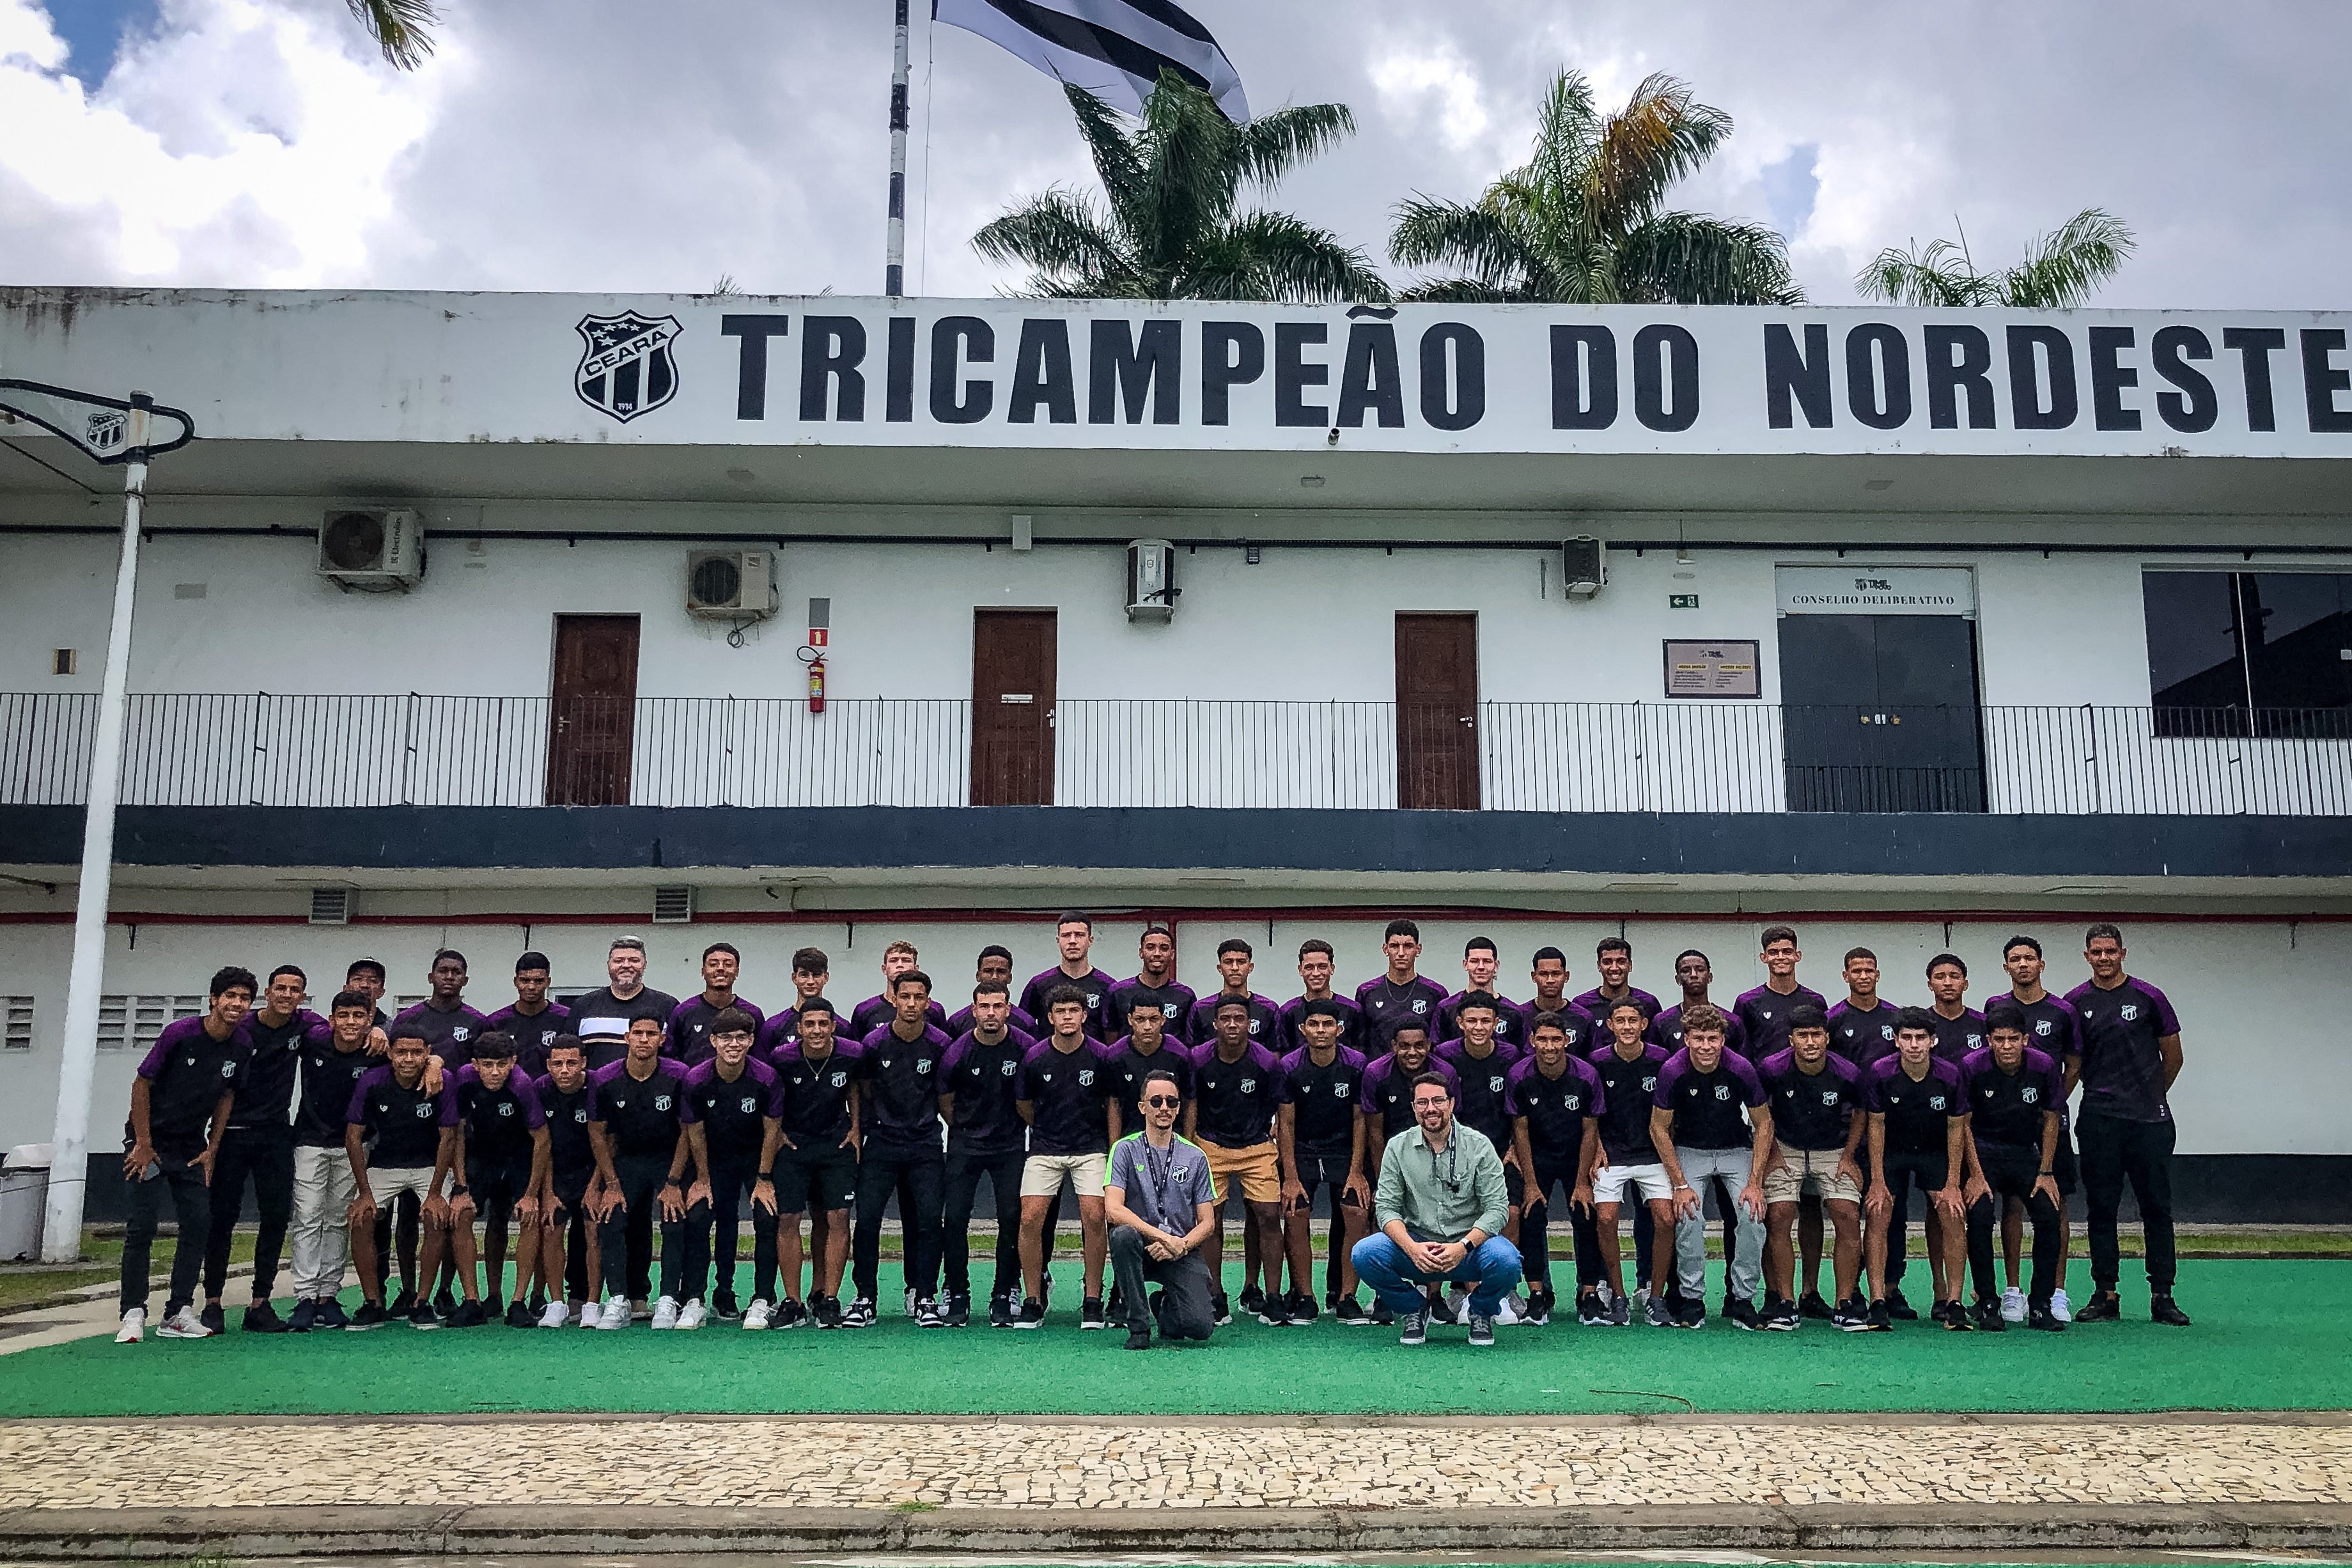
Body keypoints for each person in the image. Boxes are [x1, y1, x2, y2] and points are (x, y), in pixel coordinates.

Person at [116, 965, 253, 1344]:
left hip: (191, 1147)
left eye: (244, 998)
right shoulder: (181, 1034)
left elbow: (227, 1095)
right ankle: (132, 1313)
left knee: (198, 1224)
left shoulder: (242, 1045)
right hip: (149, 1144)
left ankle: (177, 1312)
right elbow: (142, 1083)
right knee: (142, 1227)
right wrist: (143, 1143)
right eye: (230, 996)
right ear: (214, 999)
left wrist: (213, 1147)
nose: (237, 1004)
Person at [2066, 923, 2189, 1326]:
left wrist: (2151, 1096)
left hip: (2148, 1122)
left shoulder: (2150, 997)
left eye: (2110, 951)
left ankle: (2163, 1295)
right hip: (2099, 1120)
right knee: (2102, 1209)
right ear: (2087, 956)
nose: (2104, 958)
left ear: (2123, 953)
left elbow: (2173, 1057)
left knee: (2157, 1208)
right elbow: (2073, 1062)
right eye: (2096, 952)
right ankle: (2106, 1293)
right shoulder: (2075, 1003)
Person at [1351, 1072, 1521, 1347]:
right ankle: (1413, 1309)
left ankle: (1480, 1311)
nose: (1431, 1108)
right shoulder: (1397, 1147)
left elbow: (1498, 1209)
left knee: (1508, 1261)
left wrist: (1462, 1247)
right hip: (1418, 1245)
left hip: (1470, 1246)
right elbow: (1386, 1209)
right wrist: (1411, 1248)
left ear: (1452, 1103)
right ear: (1414, 1107)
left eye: (1438, 1100)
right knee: (1365, 1254)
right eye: (1422, 1102)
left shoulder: (1479, 1146)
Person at [200, 963, 315, 1334]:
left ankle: (260, 1304)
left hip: (276, 1134)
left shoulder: (305, 1026)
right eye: (280, 987)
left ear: (302, 996)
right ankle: (213, 1302)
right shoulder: (241, 1028)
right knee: (222, 1219)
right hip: (231, 1134)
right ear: (267, 992)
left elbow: (346, 1027)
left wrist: (379, 1030)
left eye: (295, 989)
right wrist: (212, 1144)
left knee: (276, 1216)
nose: (286, 994)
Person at [1649, 1005, 1772, 1330]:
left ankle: (1743, 1300)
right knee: (1688, 1214)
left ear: (1723, 1040)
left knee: (1752, 1213)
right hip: (1691, 1150)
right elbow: (1658, 1127)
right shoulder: (1673, 1070)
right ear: (1687, 1039)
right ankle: (1692, 1300)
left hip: (1735, 1149)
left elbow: (1763, 1123)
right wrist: (1679, 1184)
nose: (1706, 1046)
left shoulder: (1741, 1068)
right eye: (1699, 1038)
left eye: (1712, 1039)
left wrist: (1755, 1182)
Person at [1756, 1004, 1868, 1331]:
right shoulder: (1771, 1069)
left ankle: (1844, 1304)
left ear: (1827, 1037)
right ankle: (1786, 1303)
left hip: (1833, 1149)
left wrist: (1849, 1156)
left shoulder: (1847, 1072)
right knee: (1778, 1215)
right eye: (1802, 1035)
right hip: (1785, 1147)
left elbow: (1862, 1114)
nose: (1810, 1042)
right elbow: (1761, 1114)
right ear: (1791, 1039)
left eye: (1816, 1035)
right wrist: (1772, 1154)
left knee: (1846, 1213)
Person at [343, 1029, 463, 1331]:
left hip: (428, 1166)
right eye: (401, 1052)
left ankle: (421, 1303)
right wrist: (365, 1193)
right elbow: (353, 1138)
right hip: (385, 1164)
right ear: (390, 1054)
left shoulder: (442, 1081)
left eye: (416, 1053)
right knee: (361, 1217)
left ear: (428, 1053)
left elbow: (448, 1137)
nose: (409, 1059)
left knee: (436, 1217)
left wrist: (436, 1192)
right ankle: (373, 1303)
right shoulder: (372, 1081)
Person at [1015, 985, 1120, 1329]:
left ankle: (1092, 1299)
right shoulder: (1034, 1057)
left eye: (1073, 1011)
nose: (1067, 1018)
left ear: (1084, 1016)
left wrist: (1112, 1148)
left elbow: (1112, 1105)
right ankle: (1033, 1299)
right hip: (1045, 1149)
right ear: (1050, 1018)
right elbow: (1024, 1106)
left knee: (1094, 1216)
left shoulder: (1102, 1056)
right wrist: (1047, 1132)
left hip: (1090, 1150)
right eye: (1060, 1012)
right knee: (1030, 1218)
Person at [852, 970, 952, 1327]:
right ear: (893, 998)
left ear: (928, 1001)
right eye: (905, 996)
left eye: (918, 997)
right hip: (881, 1143)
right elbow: (863, 1090)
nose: (911, 1004)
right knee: (867, 1222)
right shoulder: (873, 1044)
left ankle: (924, 1295)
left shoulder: (941, 1044)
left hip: (925, 1144)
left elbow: (946, 1096)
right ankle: (865, 1297)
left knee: (927, 1221)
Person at [1961, 1002, 2068, 1332]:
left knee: (2049, 1216)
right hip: (1983, 1154)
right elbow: (1962, 1124)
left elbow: (2051, 1119)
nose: (2006, 1046)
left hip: (2026, 1154)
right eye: (1999, 1039)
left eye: (2012, 1039)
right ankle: (1988, 1303)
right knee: (1979, 1217)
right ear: (1988, 1040)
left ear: (2026, 1039)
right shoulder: (1971, 1066)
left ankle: (2040, 1305)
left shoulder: (2044, 1066)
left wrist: (2046, 1172)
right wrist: (1976, 1176)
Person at [1864, 1008, 1971, 1331]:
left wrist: (1953, 1182)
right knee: (1878, 1211)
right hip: (1892, 1153)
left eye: (1921, 1038)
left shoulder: (1951, 1075)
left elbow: (1957, 1130)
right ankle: (1878, 1302)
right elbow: (1876, 1127)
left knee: (1952, 1213)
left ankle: (1954, 1302)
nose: (1914, 1045)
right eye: (1907, 1038)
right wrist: (1878, 1181)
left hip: (1934, 1152)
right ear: (1896, 1041)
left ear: (1933, 1041)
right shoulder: (1880, 1073)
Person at [586, 1014, 694, 1329]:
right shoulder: (604, 1079)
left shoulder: (678, 1076)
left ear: (662, 1039)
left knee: (673, 1219)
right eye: (638, 1033)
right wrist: (611, 1184)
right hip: (626, 1161)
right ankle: (618, 1298)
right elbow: (598, 1133)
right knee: (612, 1217)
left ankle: (669, 1299)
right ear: (626, 1037)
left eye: (651, 1034)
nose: (644, 1039)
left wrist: (673, 1182)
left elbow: (688, 1132)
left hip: (668, 1159)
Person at [679, 1009, 783, 1329]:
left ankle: (763, 1299)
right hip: (715, 1160)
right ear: (713, 1041)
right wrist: (702, 1178)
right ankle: (696, 1298)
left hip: (756, 1159)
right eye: (726, 1038)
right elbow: (694, 1131)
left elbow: (772, 1130)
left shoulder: (767, 1078)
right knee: (700, 1217)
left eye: (741, 1038)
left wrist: (764, 1179)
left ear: (751, 1041)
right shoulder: (696, 1079)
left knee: (767, 1219)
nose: (733, 1044)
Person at [941, 980, 1036, 1328]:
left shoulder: (1025, 1048)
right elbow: (946, 1102)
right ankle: (957, 1292)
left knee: (1012, 1219)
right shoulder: (957, 1052)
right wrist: (965, 1129)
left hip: (1010, 1146)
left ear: (1008, 1009)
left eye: (998, 1006)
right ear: (974, 1010)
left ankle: (1003, 1293)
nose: (991, 1013)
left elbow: (1030, 1099)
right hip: (966, 1145)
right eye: (984, 1006)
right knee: (954, 1220)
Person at [1185, 997, 1286, 1324]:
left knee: (1269, 1215)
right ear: (1215, 1023)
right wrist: (1189, 1148)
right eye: (1225, 1018)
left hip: (1256, 1146)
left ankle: (1272, 1297)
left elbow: (1280, 1106)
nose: (1232, 1025)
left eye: (1239, 1019)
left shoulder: (1267, 1062)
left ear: (1249, 1023)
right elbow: (1191, 1105)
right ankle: (1215, 1297)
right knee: (1210, 1219)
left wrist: (1273, 1136)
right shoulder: (1198, 1059)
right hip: (1210, 1146)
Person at [1998, 934, 2082, 1323]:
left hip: (2050, 1125)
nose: (2023, 965)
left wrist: (2049, 1103)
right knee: (2012, 1203)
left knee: (2055, 1203)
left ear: (2041, 965)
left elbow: (2074, 1064)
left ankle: (2056, 1292)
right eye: (2015, 959)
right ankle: (2012, 1291)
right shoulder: (1994, 1008)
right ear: (2007, 967)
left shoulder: (2063, 1011)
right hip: (2007, 1128)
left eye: (2029, 958)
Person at [1104, 1069, 1220, 1349]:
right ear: (1143, 1107)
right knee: (1122, 1236)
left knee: (1200, 1328)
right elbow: (1113, 1209)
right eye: (1156, 1102)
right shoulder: (1123, 1150)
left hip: (1180, 1249)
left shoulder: (1195, 1156)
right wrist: (1160, 1236)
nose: (1164, 1108)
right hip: (1140, 1246)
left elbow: (1208, 1222)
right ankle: (1139, 1327)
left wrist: (1179, 1244)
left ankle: (1165, 1308)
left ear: (1179, 1107)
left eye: (1172, 1102)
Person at [286, 989, 377, 1332]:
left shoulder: (377, 1051)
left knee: (339, 1219)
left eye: (359, 1017)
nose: (351, 1023)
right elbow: (291, 1017)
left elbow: (416, 1054)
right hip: (310, 1141)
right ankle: (305, 1296)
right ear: (332, 1019)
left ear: (370, 1020)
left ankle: (328, 1295)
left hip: (354, 1146)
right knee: (308, 1216)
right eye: (344, 1016)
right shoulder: (314, 1040)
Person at [1434, 997, 1528, 1323]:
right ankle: (1464, 1289)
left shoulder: (1511, 1057)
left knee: (1511, 1214)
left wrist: (1515, 1145)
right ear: (1460, 1023)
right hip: (1456, 1152)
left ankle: (1503, 1285)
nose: (1478, 1027)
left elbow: (1519, 1111)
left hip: (1502, 1152)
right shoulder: (1445, 1058)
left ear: (1495, 1024)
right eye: (1471, 1021)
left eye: (1485, 1021)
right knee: (1460, 1217)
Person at [1506, 1013, 1604, 1326]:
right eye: (1543, 1039)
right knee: (1531, 1215)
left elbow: (1590, 1130)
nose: (1549, 1046)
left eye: (1556, 1039)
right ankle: (1537, 1295)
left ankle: (1588, 1294)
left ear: (1567, 1040)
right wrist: (1531, 1184)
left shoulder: (1586, 1075)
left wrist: (1582, 1183)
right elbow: (1519, 1130)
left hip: (1576, 1153)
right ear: (1532, 1041)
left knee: (1586, 1214)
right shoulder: (1519, 1075)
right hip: (1538, 1155)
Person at [447, 1030, 549, 1328]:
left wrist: (531, 1194)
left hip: (519, 1157)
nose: (495, 1072)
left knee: (529, 1216)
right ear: (475, 1064)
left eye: (502, 1064)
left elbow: (542, 1140)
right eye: (488, 1064)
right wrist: (462, 1186)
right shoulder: (464, 1080)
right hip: (481, 1157)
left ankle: (518, 1302)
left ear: (513, 1062)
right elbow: (456, 1134)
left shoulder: (522, 1086)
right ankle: (473, 1301)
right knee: (463, 1214)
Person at [1277, 999, 1369, 1323]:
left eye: (1327, 1025)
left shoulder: (1357, 1065)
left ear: (1339, 1030)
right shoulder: (1289, 1066)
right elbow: (1285, 1123)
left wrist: (1357, 1170)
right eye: (1313, 1025)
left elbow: (1361, 1121)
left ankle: (1346, 1298)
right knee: (1295, 1211)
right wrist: (1290, 1176)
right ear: (1303, 1030)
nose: (1320, 1031)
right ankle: (1305, 1297)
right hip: (1302, 1150)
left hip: (1343, 1151)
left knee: (1356, 1213)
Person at [769, 996, 859, 1328]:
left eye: (823, 1024)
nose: (817, 1030)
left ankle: (828, 1298)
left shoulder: (852, 1053)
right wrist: (777, 1135)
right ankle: (792, 1301)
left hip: (836, 1146)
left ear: (834, 1026)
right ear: (799, 1028)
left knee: (837, 1217)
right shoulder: (782, 1059)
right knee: (789, 1219)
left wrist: (856, 1128)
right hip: (794, 1148)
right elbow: (771, 1097)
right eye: (810, 1024)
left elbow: (856, 1090)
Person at [1584, 999, 1674, 1327]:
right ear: (1610, 1025)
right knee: (1606, 1219)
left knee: (1665, 1219)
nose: (1626, 1027)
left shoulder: (1662, 1061)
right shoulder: (1597, 1062)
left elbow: (1670, 1115)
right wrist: (1596, 1148)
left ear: (1644, 1024)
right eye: (1619, 1021)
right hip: (1613, 1154)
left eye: (1632, 1020)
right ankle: (1618, 1296)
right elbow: (1590, 1116)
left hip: (1652, 1154)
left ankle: (1655, 1296)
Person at [530, 1034, 602, 1327]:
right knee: (551, 1227)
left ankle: (592, 1304)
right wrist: (547, 1192)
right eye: (557, 1063)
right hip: (557, 1171)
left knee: (593, 1230)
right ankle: (557, 1303)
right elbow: (542, 1145)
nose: (564, 1070)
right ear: (548, 1065)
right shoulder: (540, 1089)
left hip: (593, 1170)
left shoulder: (598, 1086)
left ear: (583, 1063)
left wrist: (596, 1186)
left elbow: (606, 1141)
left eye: (572, 1063)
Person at [570, 936, 681, 1070]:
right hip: (597, 1090)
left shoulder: (668, 1006)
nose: (626, 965)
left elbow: (676, 1057)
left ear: (644, 965)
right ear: (609, 965)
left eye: (634, 960)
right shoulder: (583, 1006)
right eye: (619, 961)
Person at [1020, 914, 1119, 1042]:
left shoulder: (1108, 986)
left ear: (1091, 940)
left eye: (1079, 935)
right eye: (1066, 935)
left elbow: (1115, 1034)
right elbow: (1023, 1027)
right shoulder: (1038, 985)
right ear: (1058, 941)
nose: (1072, 941)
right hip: (1050, 1060)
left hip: (1093, 1061)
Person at [1733, 926, 1828, 1060]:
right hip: (1763, 1079)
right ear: (1764, 957)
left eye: (1787, 951)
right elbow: (1740, 1051)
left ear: (1797, 956)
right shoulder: (1746, 1002)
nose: (1781, 957)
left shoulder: (1815, 1001)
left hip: (1805, 1078)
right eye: (1773, 952)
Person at [667, 942, 767, 1066]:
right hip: (694, 1084)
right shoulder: (683, 1012)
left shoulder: (753, 1014)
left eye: (728, 965)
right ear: (703, 972)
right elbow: (671, 1058)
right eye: (713, 964)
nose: (720, 969)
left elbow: (761, 1060)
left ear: (737, 972)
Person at [1355, 919, 1449, 1047]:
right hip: (1378, 1066)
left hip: (1423, 1067)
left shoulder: (1437, 993)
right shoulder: (1366, 992)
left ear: (1418, 949)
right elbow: (1360, 1042)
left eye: (1408, 946)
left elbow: (1441, 1043)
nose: (1401, 953)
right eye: (1395, 946)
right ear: (1385, 949)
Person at [1649, 951, 1752, 1057]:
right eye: (1686, 971)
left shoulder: (1731, 1021)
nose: (1694, 975)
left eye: (1700, 970)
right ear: (1678, 979)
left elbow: (1742, 1064)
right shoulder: (1662, 1022)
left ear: (1710, 977)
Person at [486, 951, 571, 1077]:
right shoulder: (496, 1022)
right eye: (525, 980)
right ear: (515, 982)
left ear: (548, 982)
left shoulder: (567, 1018)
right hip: (510, 1095)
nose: (531, 987)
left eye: (539, 981)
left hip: (550, 1094)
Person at [1110, 924, 1197, 1045]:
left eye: (1164, 948)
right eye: (1150, 948)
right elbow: (1110, 1038)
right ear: (1141, 953)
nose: (1157, 953)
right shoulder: (1118, 992)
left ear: (1172, 954)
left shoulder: (1186, 996)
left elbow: (1190, 1040)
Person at [1437, 936, 1525, 1048]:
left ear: (1496, 966)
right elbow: (1438, 1053)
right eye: (1475, 961)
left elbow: (1520, 1056)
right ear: (1465, 964)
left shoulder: (1514, 1012)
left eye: (1487, 961)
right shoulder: (1446, 1008)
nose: (1481, 967)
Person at [1279, 938, 1364, 1053]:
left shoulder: (1353, 1010)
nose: (1316, 973)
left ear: (1332, 969)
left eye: (1322, 967)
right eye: (1309, 967)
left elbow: (1359, 1052)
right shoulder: (1287, 1012)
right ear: (1300, 970)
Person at [1826, 948, 1903, 1069]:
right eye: (1857, 971)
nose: (1864, 976)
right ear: (1846, 976)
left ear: (1877, 976)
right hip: (1848, 1087)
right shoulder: (1831, 1019)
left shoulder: (1896, 1016)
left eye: (1869, 971)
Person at [948, 947, 1039, 1037]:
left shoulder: (1026, 1024)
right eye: (988, 971)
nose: (995, 977)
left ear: (1010, 978)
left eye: (1001, 971)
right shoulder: (957, 1023)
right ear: (978, 976)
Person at [758, 947, 834, 1053]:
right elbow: (762, 1066)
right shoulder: (773, 1027)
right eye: (804, 975)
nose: (811, 981)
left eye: (816, 975)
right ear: (794, 978)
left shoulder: (841, 1027)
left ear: (826, 977)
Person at [1574, 936, 1660, 1025]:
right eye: (1607, 962)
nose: (1614, 968)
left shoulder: (1649, 1003)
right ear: (1599, 966)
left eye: (1621, 962)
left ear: (1630, 965)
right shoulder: (1582, 1005)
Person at [1521, 947, 1590, 1050]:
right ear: (1534, 976)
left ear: (1566, 976)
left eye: (1556, 974)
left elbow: (1590, 1059)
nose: (1550, 980)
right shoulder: (1519, 1016)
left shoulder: (1584, 1017)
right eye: (1543, 974)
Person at [1924, 954, 1986, 1062]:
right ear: (1930, 985)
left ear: (1965, 984)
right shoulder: (1921, 1023)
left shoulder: (1983, 1023)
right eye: (1940, 977)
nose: (1948, 983)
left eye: (1954, 976)